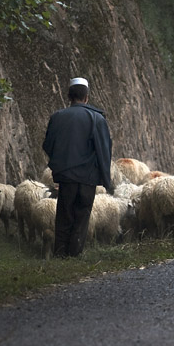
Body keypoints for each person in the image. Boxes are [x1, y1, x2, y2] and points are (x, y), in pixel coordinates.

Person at [42, 77, 112, 257]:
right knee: (82, 215)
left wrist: (59, 164)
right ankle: (75, 254)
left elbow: (48, 145)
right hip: (88, 178)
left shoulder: (57, 117)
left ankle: (59, 253)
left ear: (68, 96)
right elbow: (104, 150)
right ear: (87, 97)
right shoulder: (97, 118)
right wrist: (106, 179)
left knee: (64, 214)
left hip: (66, 177)